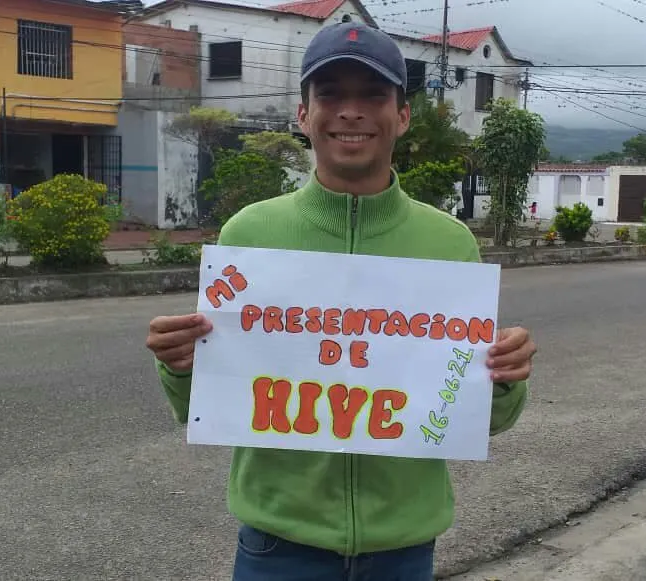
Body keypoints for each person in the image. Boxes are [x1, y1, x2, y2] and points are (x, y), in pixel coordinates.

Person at [145, 21, 537, 581]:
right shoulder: (248, 236)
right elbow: (203, 407)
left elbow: (481, 416)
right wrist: (180, 366)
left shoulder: (450, 243)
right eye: (330, 95)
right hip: (277, 548)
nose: (350, 112)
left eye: (373, 95)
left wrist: (505, 376)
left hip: (403, 550)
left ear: (401, 115)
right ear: (303, 115)